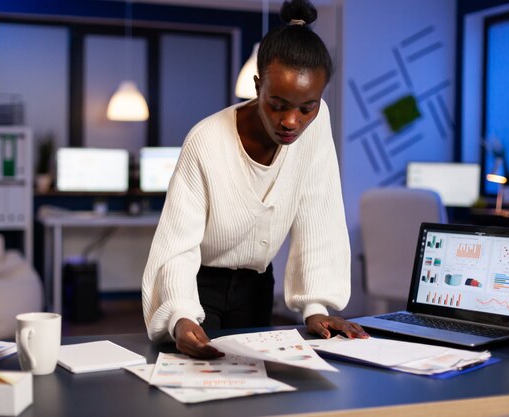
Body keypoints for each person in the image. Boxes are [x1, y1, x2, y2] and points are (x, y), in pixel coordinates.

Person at [142, 0, 367, 359]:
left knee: (256, 398)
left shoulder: (317, 121)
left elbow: (318, 211)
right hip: (199, 288)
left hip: (257, 286)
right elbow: (177, 245)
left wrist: (317, 307)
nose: (291, 121)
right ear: (258, 85)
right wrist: (180, 314)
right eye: (277, 104)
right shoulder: (206, 140)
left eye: (306, 107)